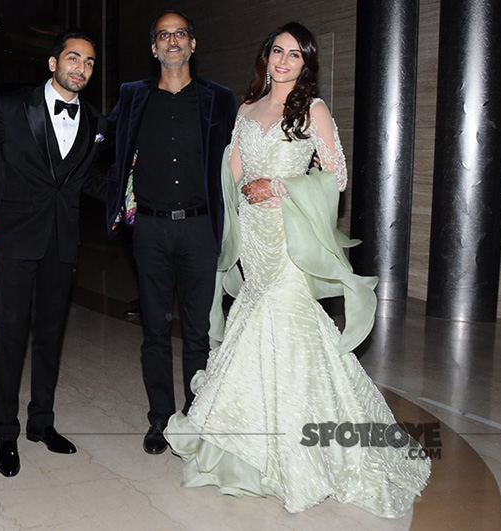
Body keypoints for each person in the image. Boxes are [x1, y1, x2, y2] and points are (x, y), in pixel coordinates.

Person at [164, 23, 431, 517]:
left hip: (289, 237)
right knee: (254, 323)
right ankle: (247, 445)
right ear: (265, 56)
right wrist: (227, 190)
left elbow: (337, 176)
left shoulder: (312, 110)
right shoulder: (246, 110)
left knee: (289, 325)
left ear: (307, 64)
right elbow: (235, 173)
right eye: (277, 51)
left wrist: (281, 186)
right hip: (255, 239)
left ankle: (298, 448)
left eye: (294, 55)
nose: (283, 61)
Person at [105, 9, 237, 455]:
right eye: (164, 35)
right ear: (154, 47)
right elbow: (105, 142)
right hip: (151, 231)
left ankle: (196, 417)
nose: (173, 41)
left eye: (180, 33)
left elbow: (243, 154)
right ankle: (160, 419)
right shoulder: (133, 95)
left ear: (193, 45)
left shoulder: (219, 99)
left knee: (198, 331)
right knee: (156, 331)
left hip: (201, 228)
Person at [0, 30, 106, 477]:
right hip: (15, 240)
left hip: (62, 243)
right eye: (74, 58)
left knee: (50, 337)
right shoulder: (13, 106)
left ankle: (41, 423)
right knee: (12, 336)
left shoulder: (95, 121)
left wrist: (132, 189)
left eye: (89, 63)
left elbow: (85, 180)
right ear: (53, 63)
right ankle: (6, 433)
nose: (81, 68)